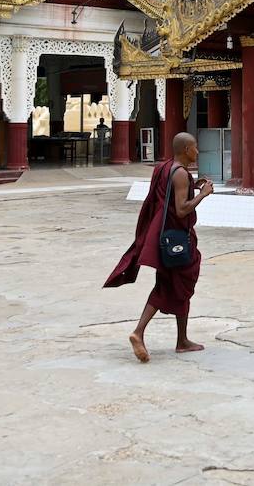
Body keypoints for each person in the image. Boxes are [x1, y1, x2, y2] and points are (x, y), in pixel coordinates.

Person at [104, 131, 214, 362]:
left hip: (164, 236)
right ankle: (139, 331)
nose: (197, 151)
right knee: (170, 286)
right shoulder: (181, 174)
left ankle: (182, 340)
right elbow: (182, 209)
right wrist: (203, 195)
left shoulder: (165, 168)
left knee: (177, 287)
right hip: (176, 240)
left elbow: (170, 195)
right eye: (195, 147)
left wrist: (194, 184)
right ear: (186, 150)